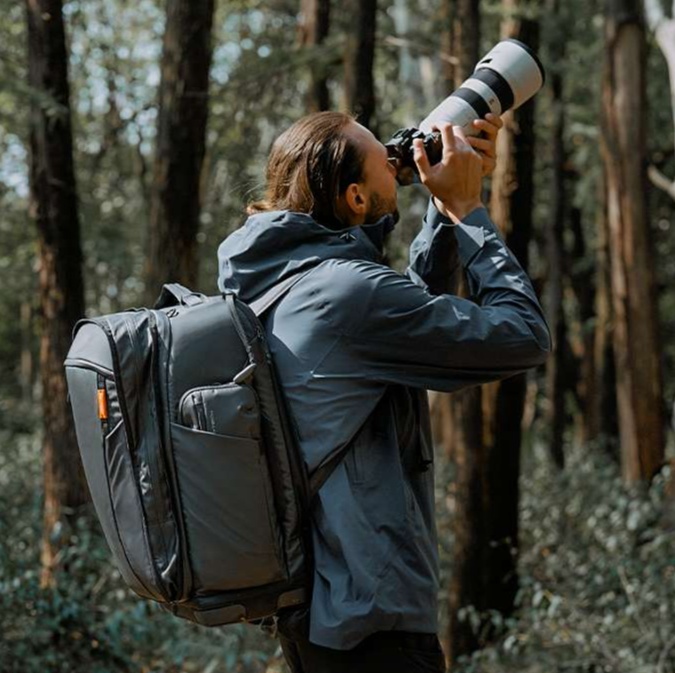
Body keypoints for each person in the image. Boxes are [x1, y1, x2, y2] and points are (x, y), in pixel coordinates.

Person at [217, 111, 551, 673]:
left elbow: (399, 319)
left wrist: (443, 215)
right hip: (376, 632)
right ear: (354, 198)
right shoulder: (345, 292)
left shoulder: (279, 281)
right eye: (386, 160)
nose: (399, 163)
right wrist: (469, 212)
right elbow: (523, 337)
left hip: (319, 614)